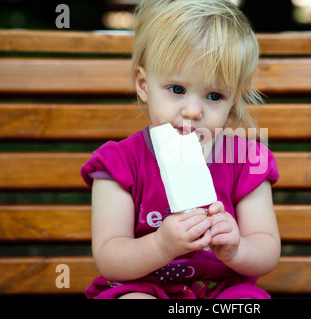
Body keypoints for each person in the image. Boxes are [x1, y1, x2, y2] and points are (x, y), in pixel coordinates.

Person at [80, 0, 280, 299]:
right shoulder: (119, 163)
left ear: (233, 99)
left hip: (219, 290)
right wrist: (162, 245)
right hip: (142, 287)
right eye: (177, 90)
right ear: (144, 84)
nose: (193, 111)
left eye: (214, 95)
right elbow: (110, 258)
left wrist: (236, 248)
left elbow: (266, 252)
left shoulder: (245, 160)